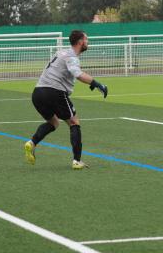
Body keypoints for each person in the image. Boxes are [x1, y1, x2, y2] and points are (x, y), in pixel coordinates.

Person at [24, 30, 108, 169]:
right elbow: (78, 74)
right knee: (74, 121)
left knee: (54, 122)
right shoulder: (72, 56)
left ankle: (31, 143)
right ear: (80, 41)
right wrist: (97, 84)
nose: (88, 42)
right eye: (86, 39)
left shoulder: (61, 53)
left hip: (37, 93)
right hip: (54, 92)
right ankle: (77, 161)